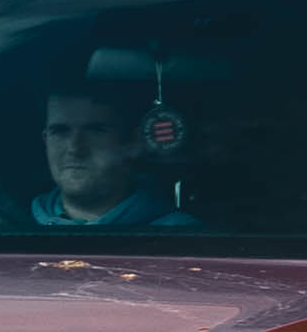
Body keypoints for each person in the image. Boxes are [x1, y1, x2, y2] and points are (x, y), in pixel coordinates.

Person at [29, 70, 195, 228]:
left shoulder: (182, 238)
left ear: (133, 144)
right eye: (60, 131)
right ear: (46, 140)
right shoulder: (12, 228)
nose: (74, 148)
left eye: (95, 131)